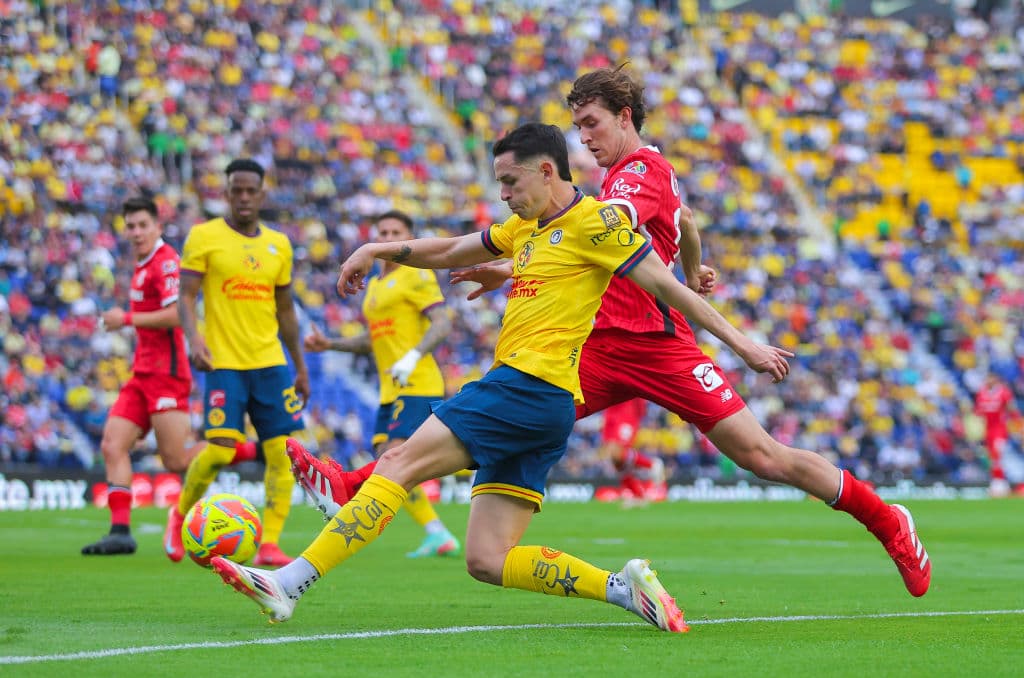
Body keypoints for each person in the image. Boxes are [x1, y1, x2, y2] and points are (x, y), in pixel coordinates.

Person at [306, 66, 933, 599]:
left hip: (661, 348)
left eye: (592, 126)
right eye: (577, 129)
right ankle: (358, 483)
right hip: (595, 350)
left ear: (626, 117)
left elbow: (607, 226)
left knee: (762, 456)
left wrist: (729, 332)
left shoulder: (638, 175)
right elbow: (683, 223)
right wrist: (693, 269)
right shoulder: (630, 179)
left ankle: (888, 522)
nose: (585, 140)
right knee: (494, 419)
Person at [207, 122, 794, 631]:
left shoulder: (597, 224)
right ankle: (624, 588)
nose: (504, 195)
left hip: (524, 385)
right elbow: (451, 250)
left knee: (397, 464)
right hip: (548, 407)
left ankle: (289, 583)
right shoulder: (527, 229)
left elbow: (669, 288)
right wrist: (376, 249)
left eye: (510, 183)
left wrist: (742, 345)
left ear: (546, 171)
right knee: (488, 559)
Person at [168, 158, 310, 567]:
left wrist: (299, 366)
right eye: (236, 190)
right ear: (226, 192)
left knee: (283, 453)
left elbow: (286, 310)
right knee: (219, 450)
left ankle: (271, 543)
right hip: (223, 361)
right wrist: (194, 338)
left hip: (270, 362)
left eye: (251, 190)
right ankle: (179, 516)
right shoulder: (204, 236)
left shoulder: (279, 245)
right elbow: (186, 296)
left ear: (262, 194)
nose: (244, 197)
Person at [302, 209, 462, 558]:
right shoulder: (374, 286)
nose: (388, 238)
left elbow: (441, 324)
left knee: (395, 457)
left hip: (418, 382)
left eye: (396, 232)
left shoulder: (416, 277)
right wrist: (330, 344)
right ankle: (437, 533)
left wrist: (412, 356)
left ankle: (343, 501)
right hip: (390, 387)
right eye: (383, 231)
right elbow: (371, 340)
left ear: (408, 239)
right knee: (387, 460)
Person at [80, 197, 193, 555]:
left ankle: (244, 450)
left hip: (167, 374)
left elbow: (177, 315)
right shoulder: (142, 264)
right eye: (130, 226)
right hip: (142, 374)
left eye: (143, 224)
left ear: (158, 226)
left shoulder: (166, 263)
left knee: (175, 460)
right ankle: (120, 531)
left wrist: (125, 319)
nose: (136, 232)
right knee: (113, 444)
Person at [597, 397, 665, 502]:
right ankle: (638, 495)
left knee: (616, 453)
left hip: (626, 412)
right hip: (610, 411)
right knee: (615, 460)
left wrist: (639, 412)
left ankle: (651, 464)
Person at [974, 372, 1019, 497]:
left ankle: (999, 484)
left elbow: (1012, 409)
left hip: (999, 430)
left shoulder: (1003, 392)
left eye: (990, 378)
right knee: (992, 458)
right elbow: (978, 411)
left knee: (997, 455)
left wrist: (1017, 424)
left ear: (996, 379)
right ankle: (998, 483)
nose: (988, 380)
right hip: (987, 430)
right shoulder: (981, 393)